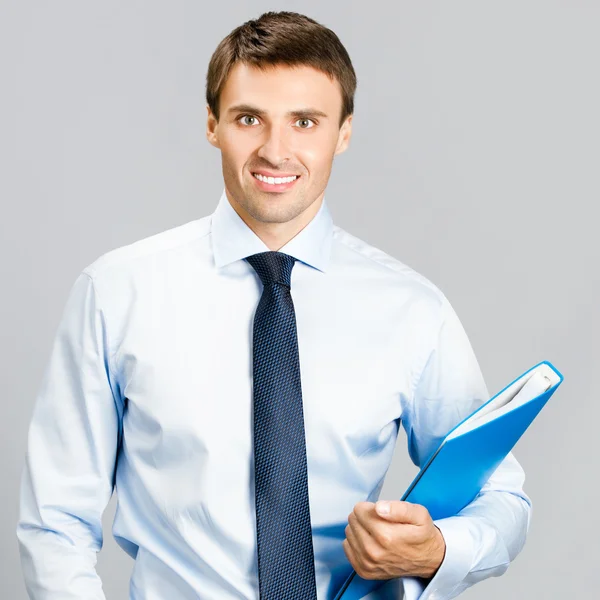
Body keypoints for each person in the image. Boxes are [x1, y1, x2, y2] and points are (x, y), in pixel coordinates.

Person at [16, 10, 531, 600]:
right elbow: (56, 520)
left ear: (344, 131)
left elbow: (502, 496)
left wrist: (441, 548)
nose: (275, 150)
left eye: (305, 121)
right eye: (248, 118)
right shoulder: (115, 292)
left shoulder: (412, 309)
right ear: (213, 124)